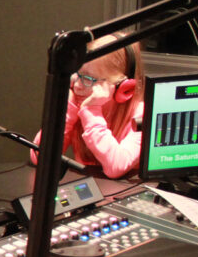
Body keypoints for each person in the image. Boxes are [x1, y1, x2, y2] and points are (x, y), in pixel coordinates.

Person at [30, 33, 145, 179]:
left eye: (88, 79)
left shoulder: (141, 116)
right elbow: (39, 157)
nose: (76, 85)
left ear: (123, 87)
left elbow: (116, 167)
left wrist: (92, 112)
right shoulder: (78, 105)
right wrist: (67, 110)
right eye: (76, 74)